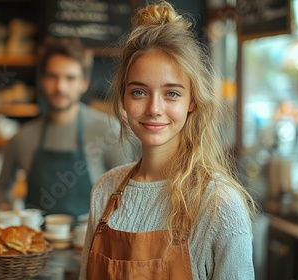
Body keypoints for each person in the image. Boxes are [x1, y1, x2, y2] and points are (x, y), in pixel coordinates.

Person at [79, 1, 258, 279]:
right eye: (139, 92)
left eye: (172, 93)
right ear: (124, 99)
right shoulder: (104, 191)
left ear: (192, 102)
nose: (154, 108)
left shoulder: (220, 205)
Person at [0, 38, 135, 219]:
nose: (60, 86)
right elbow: (1, 188)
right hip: (35, 243)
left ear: (84, 83)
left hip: (90, 242)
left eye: (70, 78)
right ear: (42, 80)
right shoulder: (23, 137)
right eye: (53, 76)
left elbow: (129, 192)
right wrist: (6, 210)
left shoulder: (108, 131)